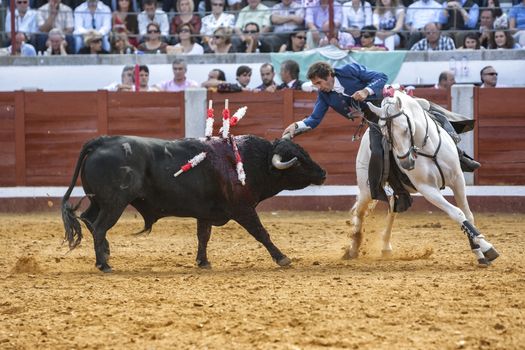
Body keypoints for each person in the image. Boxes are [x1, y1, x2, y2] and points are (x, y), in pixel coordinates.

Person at [282, 61, 479, 211]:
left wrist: (366, 90)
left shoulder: (349, 70)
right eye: (315, 84)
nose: (318, 87)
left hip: (392, 105)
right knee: (377, 152)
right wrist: (296, 126)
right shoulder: (325, 95)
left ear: (329, 75)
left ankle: (461, 157)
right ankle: (393, 190)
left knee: (431, 113)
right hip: (377, 122)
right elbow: (315, 119)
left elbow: (380, 76)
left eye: (319, 82)